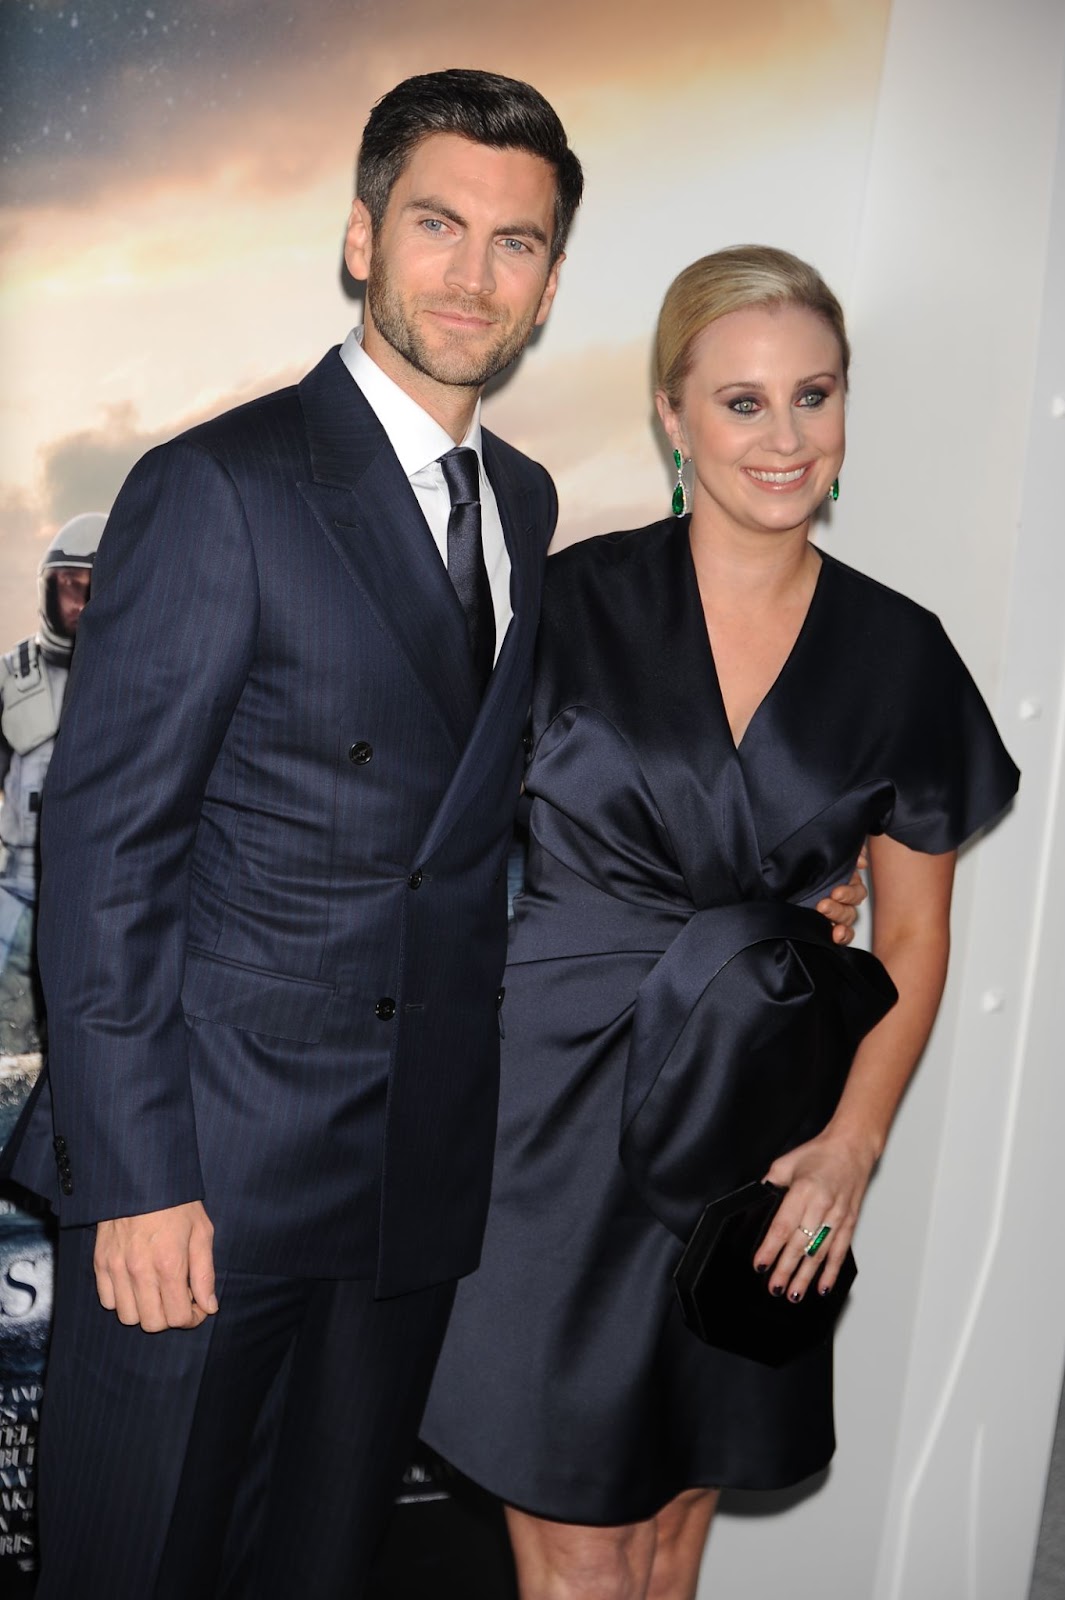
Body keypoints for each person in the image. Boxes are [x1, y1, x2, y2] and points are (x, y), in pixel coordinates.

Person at [1, 68, 586, 1600]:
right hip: (210, 1179)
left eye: (515, 243)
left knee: (319, 1575)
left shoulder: (521, 502)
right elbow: (105, 847)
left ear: (546, 283)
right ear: (359, 237)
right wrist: (133, 1177)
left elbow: (478, 822)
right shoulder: (219, 486)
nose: (474, 273)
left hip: (405, 1190)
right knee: (139, 1570)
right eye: (438, 224)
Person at [420, 246, 1020, 1600]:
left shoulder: (899, 653)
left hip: (759, 1120)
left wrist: (847, 1150)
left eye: (813, 396)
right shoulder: (563, 605)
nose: (784, 436)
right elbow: (431, 847)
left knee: (670, 1533)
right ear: (672, 416)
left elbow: (910, 943)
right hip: (542, 1122)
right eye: (741, 402)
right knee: (576, 1549)